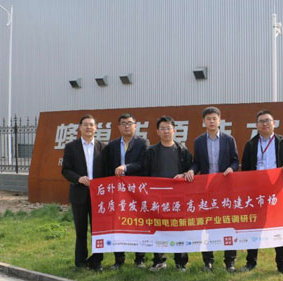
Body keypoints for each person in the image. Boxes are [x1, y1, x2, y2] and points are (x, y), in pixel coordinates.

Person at [240, 109, 283, 277]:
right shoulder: (251, 144)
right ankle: (251, 262)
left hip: (277, 192)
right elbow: (246, 170)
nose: (264, 124)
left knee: (279, 228)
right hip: (257, 193)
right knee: (253, 226)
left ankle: (282, 265)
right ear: (256, 125)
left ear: (274, 123)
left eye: (267, 121)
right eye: (261, 121)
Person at [184, 107, 239, 273]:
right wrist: (192, 170)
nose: (212, 121)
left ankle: (230, 261)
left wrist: (231, 168)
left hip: (225, 188)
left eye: (214, 118)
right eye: (208, 119)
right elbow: (197, 163)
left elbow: (235, 161)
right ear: (204, 122)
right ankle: (208, 260)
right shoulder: (199, 141)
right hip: (207, 189)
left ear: (219, 120)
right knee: (207, 225)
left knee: (228, 224)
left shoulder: (229, 139)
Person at [143, 116, 193, 271]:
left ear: (174, 130)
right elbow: (145, 173)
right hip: (158, 196)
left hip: (178, 196)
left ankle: (181, 262)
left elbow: (190, 170)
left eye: (168, 128)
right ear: (158, 132)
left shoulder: (183, 151)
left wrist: (184, 174)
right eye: (162, 128)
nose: (166, 131)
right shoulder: (151, 151)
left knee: (180, 228)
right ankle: (159, 260)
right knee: (158, 228)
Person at [102, 113, 149, 269]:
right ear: (118, 127)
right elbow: (108, 166)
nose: (127, 126)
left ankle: (140, 259)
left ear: (135, 125)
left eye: (129, 123)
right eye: (123, 123)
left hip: (136, 190)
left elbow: (143, 164)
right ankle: (119, 259)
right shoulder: (112, 145)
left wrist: (126, 167)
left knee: (138, 223)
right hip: (117, 190)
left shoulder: (143, 143)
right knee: (118, 223)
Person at [61, 114, 105, 271]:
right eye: (85, 124)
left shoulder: (102, 147)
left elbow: (107, 170)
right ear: (80, 128)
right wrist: (78, 178)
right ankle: (80, 261)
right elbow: (66, 170)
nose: (88, 127)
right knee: (81, 229)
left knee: (98, 230)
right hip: (79, 193)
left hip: (98, 195)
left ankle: (96, 261)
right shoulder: (71, 147)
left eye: (91, 125)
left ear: (96, 128)